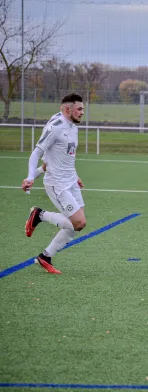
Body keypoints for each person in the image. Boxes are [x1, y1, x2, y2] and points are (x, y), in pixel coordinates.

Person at [21, 93, 87, 274]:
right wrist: (30, 177)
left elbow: (65, 156)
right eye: (79, 109)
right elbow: (36, 153)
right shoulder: (55, 127)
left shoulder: (73, 126)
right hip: (57, 184)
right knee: (78, 223)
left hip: (70, 179)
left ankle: (45, 256)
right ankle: (39, 215)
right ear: (68, 109)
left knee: (77, 224)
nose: (82, 112)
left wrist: (75, 175)